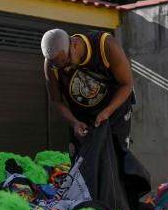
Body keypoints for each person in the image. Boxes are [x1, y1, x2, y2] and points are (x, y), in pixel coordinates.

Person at [41, 28, 135, 157]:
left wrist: (107, 111)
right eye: (59, 66)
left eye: (66, 63)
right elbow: (56, 100)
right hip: (82, 119)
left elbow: (127, 84)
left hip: (114, 110)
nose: (65, 69)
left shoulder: (105, 44)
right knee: (82, 164)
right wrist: (74, 122)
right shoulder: (53, 64)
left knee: (115, 160)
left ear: (73, 44)